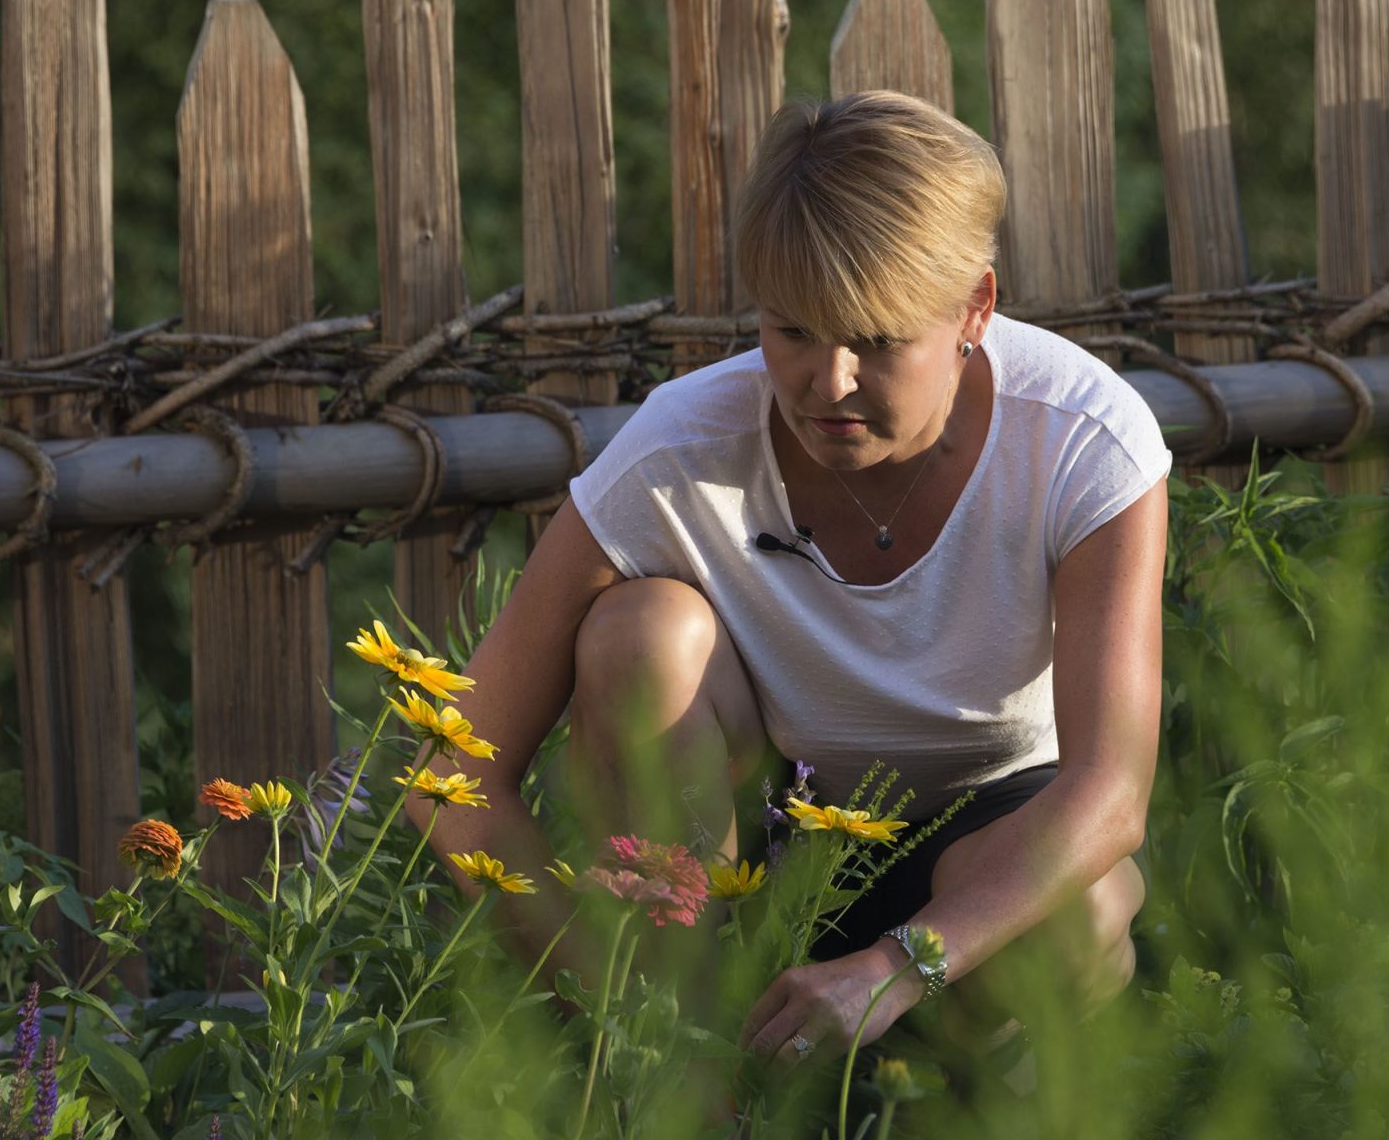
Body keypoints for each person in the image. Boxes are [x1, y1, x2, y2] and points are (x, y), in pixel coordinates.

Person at [403, 89, 1168, 1073]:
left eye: (879, 339)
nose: (829, 383)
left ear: (974, 306)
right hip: (746, 873)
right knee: (639, 634)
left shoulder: (1075, 438)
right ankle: (695, 1081)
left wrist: (892, 969)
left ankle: (960, 1131)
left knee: (1087, 907)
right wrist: (603, 1003)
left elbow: (1108, 792)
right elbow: (451, 768)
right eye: (792, 332)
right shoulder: (681, 451)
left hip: (979, 868)